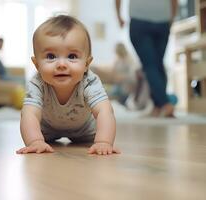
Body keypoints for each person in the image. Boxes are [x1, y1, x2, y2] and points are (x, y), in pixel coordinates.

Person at [16, 15, 120, 155]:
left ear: (87, 64)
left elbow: (105, 111)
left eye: (72, 56)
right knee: (34, 127)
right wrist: (35, 141)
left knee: (97, 130)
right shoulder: (37, 83)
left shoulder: (89, 81)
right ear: (37, 65)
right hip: (45, 130)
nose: (61, 64)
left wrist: (103, 142)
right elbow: (29, 114)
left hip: (85, 130)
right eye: (51, 56)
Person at [115, 0, 178, 117]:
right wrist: (172, 17)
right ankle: (157, 106)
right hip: (163, 20)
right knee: (157, 64)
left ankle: (165, 104)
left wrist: (119, 16)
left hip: (140, 20)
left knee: (150, 65)